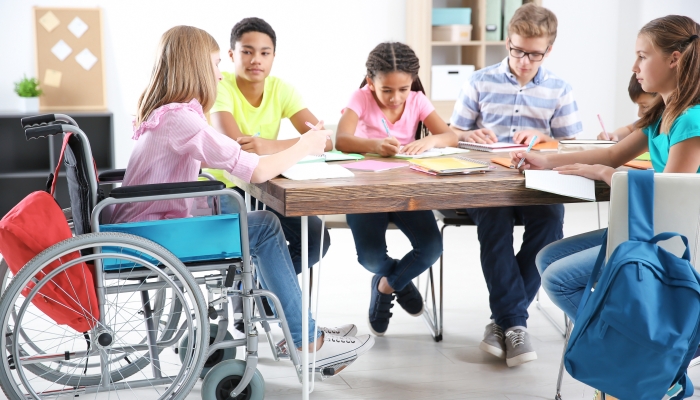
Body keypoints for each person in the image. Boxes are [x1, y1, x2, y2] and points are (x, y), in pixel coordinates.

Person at [110, 25, 374, 370]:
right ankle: (307, 340)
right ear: (196, 67)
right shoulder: (181, 120)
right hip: (155, 237)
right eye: (216, 64)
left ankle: (293, 326)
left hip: (149, 227)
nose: (220, 77)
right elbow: (255, 170)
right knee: (264, 226)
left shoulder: (168, 114)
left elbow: (222, 156)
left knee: (262, 224)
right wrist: (303, 145)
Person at [525, 15, 700, 397]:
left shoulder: (692, 121)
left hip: (675, 240)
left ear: (674, 59)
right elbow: (611, 152)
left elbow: (671, 194)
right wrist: (546, 159)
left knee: (560, 278)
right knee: (547, 259)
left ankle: (658, 358)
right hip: (652, 226)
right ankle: (636, 347)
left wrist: (609, 175)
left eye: (642, 56)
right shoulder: (662, 113)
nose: (635, 67)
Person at [449, 3, 583, 367]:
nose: (524, 60)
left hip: (538, 182)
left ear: (548, 50)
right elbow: (451, 136)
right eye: (517, 50)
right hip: (486, 181)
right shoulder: (478, 81)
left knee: (551, 223)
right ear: (507, 41)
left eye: (534, 54)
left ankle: (504, 322)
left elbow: (573, 145)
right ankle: (515, 324)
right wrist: (467, 134)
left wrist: (543, 138)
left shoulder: (559, 89)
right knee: (494, 225)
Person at [335, 42, 457, 336]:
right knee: (371, 259)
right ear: (370, 81)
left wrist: (429, 141)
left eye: (403, 89)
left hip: (408, 190)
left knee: (431, 248)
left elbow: (449, 135)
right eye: (387, 90)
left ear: (412, 82)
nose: (395, 97)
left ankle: (386, 285)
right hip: (366, 191)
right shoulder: (360, 98)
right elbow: (341, 139)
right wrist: (374, 146)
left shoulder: (417, 101)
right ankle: (397, 279)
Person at [209, 17, 331, 275]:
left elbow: (325, 140)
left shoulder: (281, 89)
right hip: (228, 187)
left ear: (274, 56)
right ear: (232, 54)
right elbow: (237, 148)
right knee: (266, 235)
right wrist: (303, 144)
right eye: (247, 52)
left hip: (264, 185)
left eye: (265, 53)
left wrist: (267, 145)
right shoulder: (220, 86)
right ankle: (262, 296)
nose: (256, 60)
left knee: (316, 240)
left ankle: (260, 294)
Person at [597, 73, 657, 141]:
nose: (639, 114)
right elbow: (629, 130)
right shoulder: (646, 124)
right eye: (638, 105)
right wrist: (614, 135)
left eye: (645, 106)